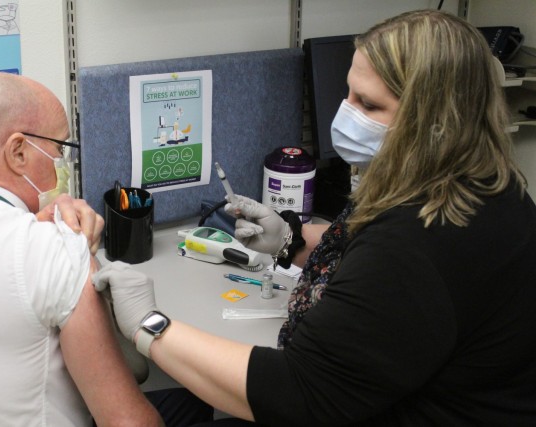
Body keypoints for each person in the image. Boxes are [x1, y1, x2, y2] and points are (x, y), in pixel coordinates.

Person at [93, 9, 536, 426]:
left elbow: (296, 392)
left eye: (370, 104)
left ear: (437, 122)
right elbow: (369, 256)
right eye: (348, 93)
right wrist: (293, 242)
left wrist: (151, 326)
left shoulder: (421, 241)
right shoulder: (481, 181)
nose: (346, 114)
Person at [0, 72, 212, 427]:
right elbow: (129, 422)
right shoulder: (55, 252)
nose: (63, 164)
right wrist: (76, 253)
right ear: (18, 152)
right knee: (198, 400)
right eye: (59, 149)